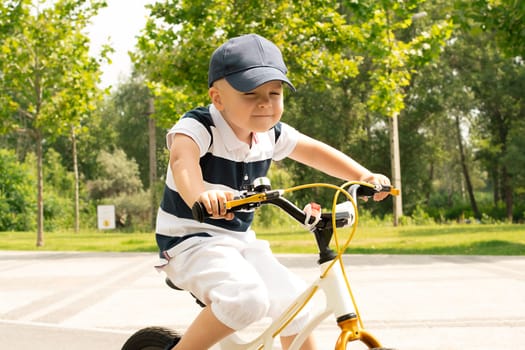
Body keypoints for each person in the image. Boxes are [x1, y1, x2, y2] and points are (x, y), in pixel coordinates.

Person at [155, 33, 391, 350]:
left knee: (296, 304)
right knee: (246, 299)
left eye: (274, 93)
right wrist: (199, 195)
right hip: (189, 241)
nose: (265, 102)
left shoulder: (270, 134)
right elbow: (183, 161)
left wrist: (363, 175)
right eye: (250, 93)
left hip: (238, 242)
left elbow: (314, 152)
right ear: (218, 98)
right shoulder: (199, 126)